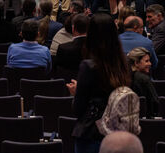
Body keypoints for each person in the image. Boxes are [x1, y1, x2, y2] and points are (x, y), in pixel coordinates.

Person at [67, 13, 131, 153]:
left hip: (92, 133)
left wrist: (76, 92)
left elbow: (78, 109)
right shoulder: (125, 64)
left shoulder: (88, 66)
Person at [126, 46, 158, 118]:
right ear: (136, 63)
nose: (150, 64)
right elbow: (155, 103)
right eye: (147, 61)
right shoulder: (144, 79)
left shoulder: (123, 78)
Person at [55, 12, 89, 78]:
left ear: (73, 29)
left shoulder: (63, 48)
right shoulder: (96, 48)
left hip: (66, 85)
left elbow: (57, 72)